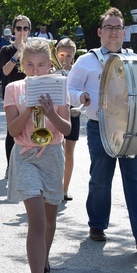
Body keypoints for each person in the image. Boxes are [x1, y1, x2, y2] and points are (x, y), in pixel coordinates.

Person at [67, 7, 137, 250]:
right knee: (101, 179)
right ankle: (97, 224)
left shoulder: (136, 60)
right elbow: (67, 91)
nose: (114, 32)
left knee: (136, 178)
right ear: (100, 32)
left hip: (131, 126)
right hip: (99, 127)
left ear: (125, 33)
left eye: (118, 28)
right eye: (109, 27)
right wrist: (81, 96)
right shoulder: (86, 61)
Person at [4, 39, 72, 273]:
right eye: (29, 65)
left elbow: (65, 129)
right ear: (22, 65)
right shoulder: (13, 89)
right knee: (37, 220)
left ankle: (43, 259)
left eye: (41, 65)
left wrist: (49, 113)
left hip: (52, 154)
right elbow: (12, 130)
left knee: (49, 218)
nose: (35, 70)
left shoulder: (58, 87)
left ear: (50, 65)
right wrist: (29, 109)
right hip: (25, 156)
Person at [0, 16, 29, 175]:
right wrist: (18, 53)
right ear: (14, 30)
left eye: (25, 29)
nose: (22, 32)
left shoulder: (34, 48)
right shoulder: (6, 50)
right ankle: (11, 165)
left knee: (31, 127)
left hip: (30, 91)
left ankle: (30, 163)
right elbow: (5, 71)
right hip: (12, 94)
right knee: (13, 129)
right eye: (19, 28)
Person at [54, 38, 79, 201]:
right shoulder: (51, 70)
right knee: (56, 151)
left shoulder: (77, 72)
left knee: (69, 152)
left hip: (72, 112)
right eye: (61, 54)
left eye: (69, 56)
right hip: (55, 113)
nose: (65, 59)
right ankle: (53, 186)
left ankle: (65, 188)